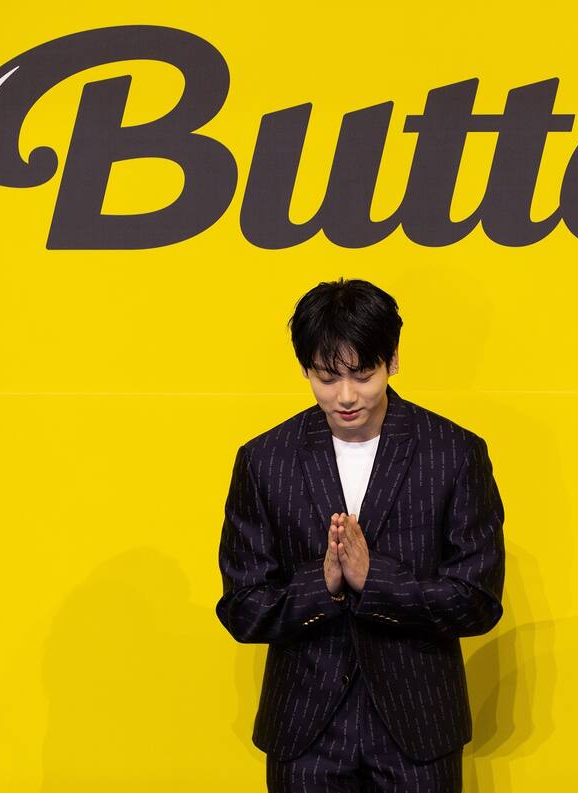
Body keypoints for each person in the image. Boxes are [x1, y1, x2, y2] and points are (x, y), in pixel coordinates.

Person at [215, 277, 506, 792]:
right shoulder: (264, 460)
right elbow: (243, 607)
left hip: (419, 731)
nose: (347, 396)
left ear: (392, 360)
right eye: (327, 378)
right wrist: (321, 585)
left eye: (363, 374)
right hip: (305, 733)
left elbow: (478, 601)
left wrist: (377, 581)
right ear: (305, 368)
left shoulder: (454, 453)